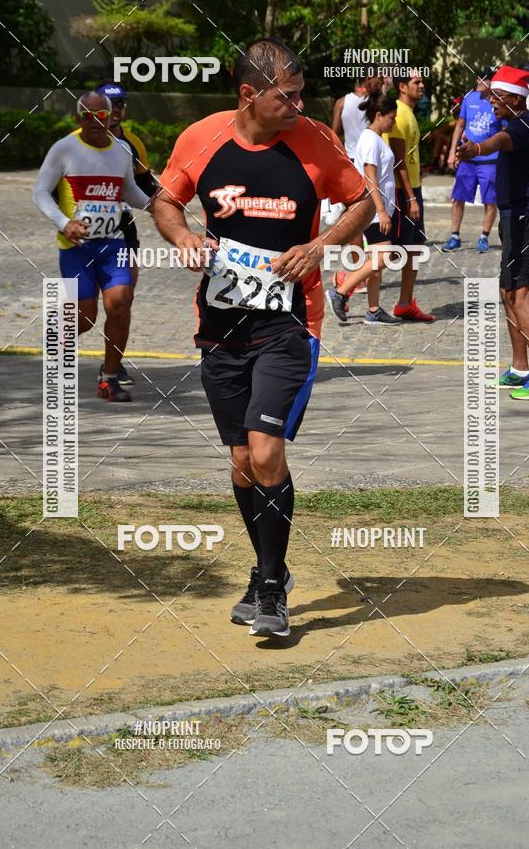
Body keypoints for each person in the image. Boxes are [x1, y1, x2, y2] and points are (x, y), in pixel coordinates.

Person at [154, 38, 373, 637]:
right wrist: (182, 239)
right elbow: (166, 200)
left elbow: (362, 202)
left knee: (268, 449)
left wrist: (318, 247)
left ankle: (272, 586)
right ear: (250, 94)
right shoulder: (200, 139)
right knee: (242, 460)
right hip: (222, 326)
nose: (300, 106)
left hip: (290, 322)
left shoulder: (314, 142)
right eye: (289, 95)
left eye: (302, 94)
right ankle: (265, 568)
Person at [33, 92, 152, 402]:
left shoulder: (121, 150)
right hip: (76, 248)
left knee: (120, 303)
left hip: (113, 245)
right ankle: (58, 342)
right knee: (85, 317)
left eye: (101, 116)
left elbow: (129, 190)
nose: (95, 122)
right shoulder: (64, 149)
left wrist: (157, 204)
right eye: (87, 116)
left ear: (111, 116)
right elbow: (41, 193)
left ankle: (109, 379)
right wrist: (64, 223)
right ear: (78, 118)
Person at [457, 65, 529, 400]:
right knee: (507, 292)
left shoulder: (520, 128)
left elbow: (496, 142)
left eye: (496, 97)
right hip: (520, 218)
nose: (491, 103)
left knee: (520, 295)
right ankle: (520, 368)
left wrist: (474, 150)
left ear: (515, 98)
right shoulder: (521, 123)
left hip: (527, 217)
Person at [93, 82, 159, 384]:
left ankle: (113, 365)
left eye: (120, 104)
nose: (115, 109)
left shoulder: (132, 144)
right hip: (81, 236)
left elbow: (147, 187)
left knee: (122, 301)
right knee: (82, 316)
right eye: (109, 103)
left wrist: (168, 203)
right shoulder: (74, 143)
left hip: (122, 231)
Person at [325, 92, 402, 325]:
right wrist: (380, 210)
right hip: (372, 209)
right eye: (391, 117)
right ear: (378, 115)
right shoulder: (370, 140)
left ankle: (374, 309)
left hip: (378, 208)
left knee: (374, 261)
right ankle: (341, 291)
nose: (394, 122)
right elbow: (370, 177)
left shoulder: (376, 139)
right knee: (385, 256)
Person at [385, 68, 435, 321]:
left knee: (414, 247)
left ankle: (405, 303)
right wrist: (411, 197)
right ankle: (345, 286)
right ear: (402, 86)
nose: (422, 85)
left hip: (413, 187)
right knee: (393, 251)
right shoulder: (398, 115)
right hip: (401, 190)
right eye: (417, 81)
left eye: (422, 81)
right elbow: (397, 161)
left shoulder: (410, 114)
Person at [443, 67, 501, 253]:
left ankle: (484, 237)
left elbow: (504, 134)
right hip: (467, 159)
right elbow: (460, 126)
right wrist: (453, 152)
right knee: (457, 197)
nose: (478, 80)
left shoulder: (498, 103)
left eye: (484, 78)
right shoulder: (469, 99)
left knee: (490, 201)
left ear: (492, 82)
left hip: (490, 160)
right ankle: (455, 237)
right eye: (478, 77)